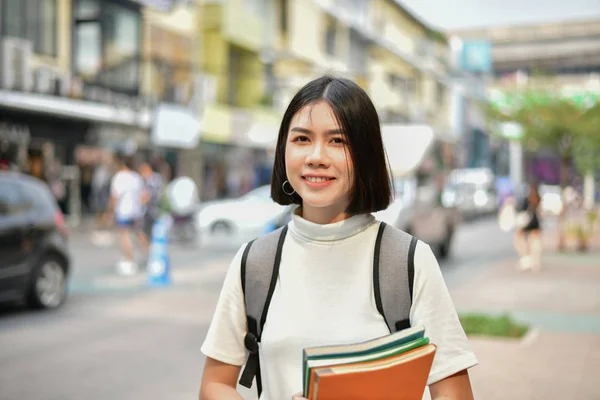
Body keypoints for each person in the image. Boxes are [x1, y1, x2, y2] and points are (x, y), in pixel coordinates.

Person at [199, 76, 478, 400]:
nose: (316, 156)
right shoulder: (255, 262)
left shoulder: (407, 262)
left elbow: (454, 393)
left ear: (365, 156)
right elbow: (214, 384)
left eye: (338, 141)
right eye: (302, 139)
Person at [109, 152, 144, 276]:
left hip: (124, 211)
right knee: (139, 234)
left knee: (125, 236)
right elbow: (142, 196)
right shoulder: (136, 177)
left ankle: (130, 260)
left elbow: (115, 197)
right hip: (136, 211)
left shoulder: (119, 177)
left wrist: (110, 211)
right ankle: (151, 255)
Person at [513, 182, 542, 271]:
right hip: (535, 224)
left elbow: (520, 211)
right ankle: (535, 263)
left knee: (522, 242)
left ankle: (527, 260)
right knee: (535, 244)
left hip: (528, 224)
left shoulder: (527, 200)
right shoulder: (538, 199)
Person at [138, 160, 163, 252]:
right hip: (153, 211)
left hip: (150, 211)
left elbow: (147, 196)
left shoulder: (151, 180)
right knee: (148, 234)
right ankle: (151, 253)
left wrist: (139, 201)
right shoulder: (156, 178)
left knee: (143, 233)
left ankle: (151, 253)